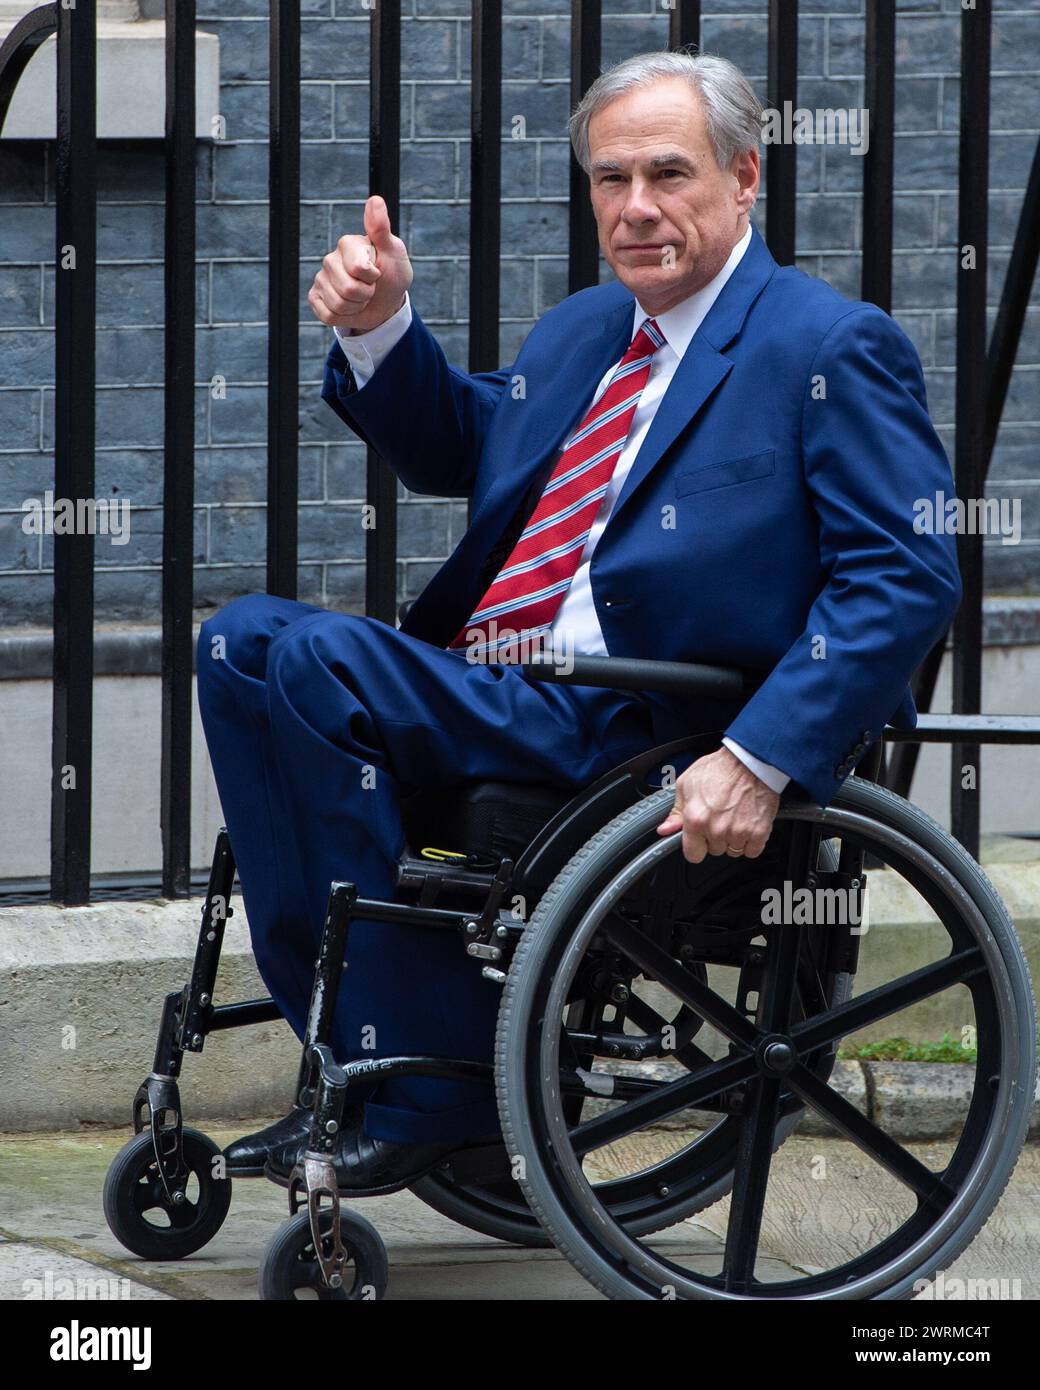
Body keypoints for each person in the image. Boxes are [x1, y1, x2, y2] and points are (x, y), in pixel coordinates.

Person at [200, 50, 961, 1192]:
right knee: (239, 643)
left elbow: (903, 572)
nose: (636, 208)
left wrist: (756, 758)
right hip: (509, 687)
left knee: (311, 657)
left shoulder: (823, 346)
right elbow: (468, 445)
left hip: (646, 727)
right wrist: (383, 330)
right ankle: (362, 1055)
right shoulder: (583, 331)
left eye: (668, 173)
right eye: (611, 179)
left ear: (744, 178)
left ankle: (430, 1083)